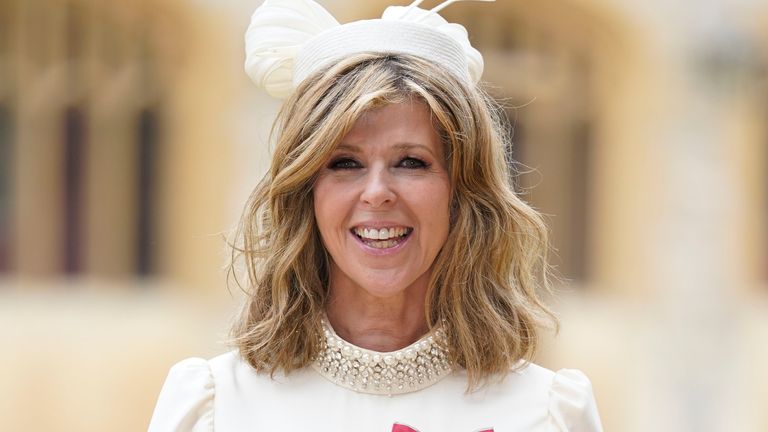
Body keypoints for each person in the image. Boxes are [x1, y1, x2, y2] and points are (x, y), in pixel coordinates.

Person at [148, 0, 604, 430]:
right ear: (305, 192)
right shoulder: (216, 406)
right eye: (345, 164)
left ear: (462, 191)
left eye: (411, 163)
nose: (377, 193)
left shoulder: (547, 413)